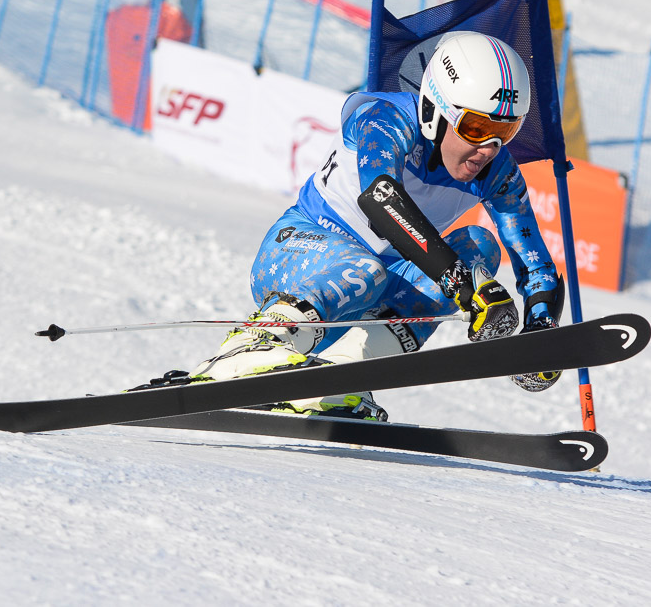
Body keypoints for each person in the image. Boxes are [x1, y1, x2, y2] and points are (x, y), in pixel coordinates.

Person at [190, 32, 564, 421]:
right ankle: (253, 346)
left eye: (505, 132)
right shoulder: (386, 119)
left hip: (377, 286)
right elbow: (381, 200)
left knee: (479, 246)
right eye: (474, 128)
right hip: (298, 258)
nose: (487, 148)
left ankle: (341, 376)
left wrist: (540, 329)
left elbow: (533, 262)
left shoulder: (496, 169)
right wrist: (464, 286)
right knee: (366, 270)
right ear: (434, 110)